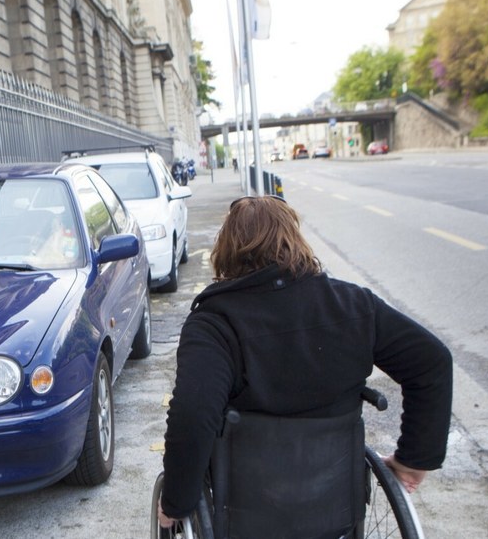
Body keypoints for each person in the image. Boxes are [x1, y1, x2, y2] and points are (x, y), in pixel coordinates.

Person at [158, 195, 452, 531]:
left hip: (245, 514)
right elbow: (433, 362)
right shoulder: (352, 306)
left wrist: (175, 503)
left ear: (226, 250)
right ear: (294, 240)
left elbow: (193, 413)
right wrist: (415, 459)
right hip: (335, 509)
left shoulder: (214, 324)